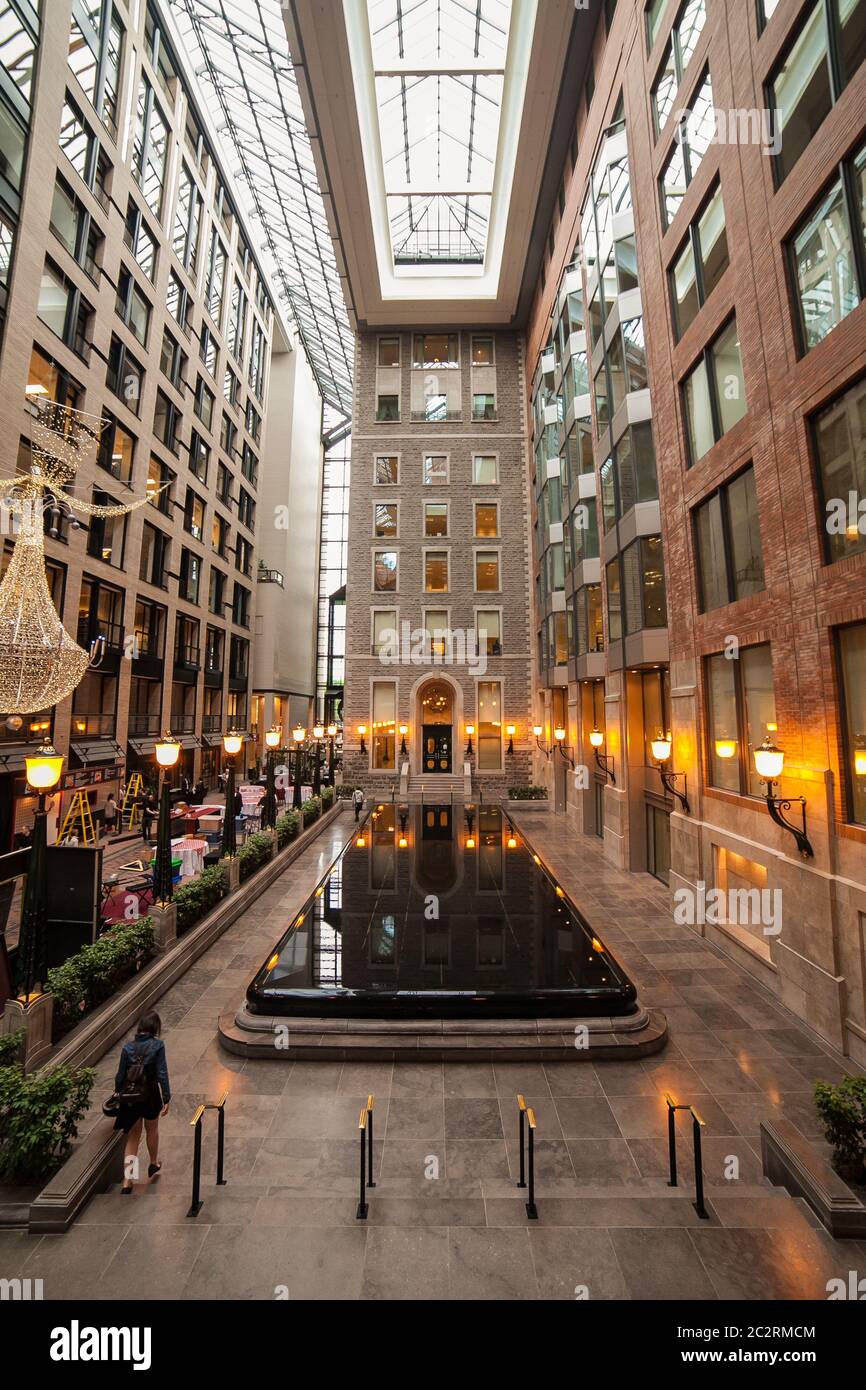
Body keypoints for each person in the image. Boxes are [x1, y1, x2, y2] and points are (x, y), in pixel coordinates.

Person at [113, 1012, 170, 1193]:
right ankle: (153, 1162)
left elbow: (120, 1076)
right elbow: (162, 1072)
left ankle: (128, 1181)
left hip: (130, 1098)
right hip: (150, 1096)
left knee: (133, 1137)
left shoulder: (127, 1048)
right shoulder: (158, 1046)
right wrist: (166, 1097)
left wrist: (117, 1093)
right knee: (152, 1130)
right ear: (155, 1028)